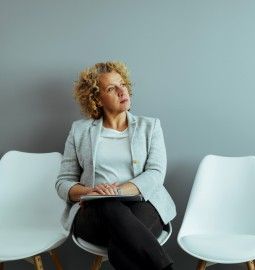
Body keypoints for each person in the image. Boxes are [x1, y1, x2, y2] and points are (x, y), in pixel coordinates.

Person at [55, 61, 176, 270]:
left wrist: (116, 191)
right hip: (94, 212)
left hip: (143, 205)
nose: (122, 91)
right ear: (97, 99)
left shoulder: (150, 126)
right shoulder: (79, 131)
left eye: (123, 84)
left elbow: (156, 174)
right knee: (107, 205)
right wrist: (92, 192)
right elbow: (63, 182)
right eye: (111, 88)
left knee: (122, 247)